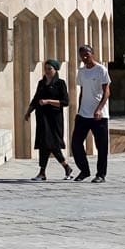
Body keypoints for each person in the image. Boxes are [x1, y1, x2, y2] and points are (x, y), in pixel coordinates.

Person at [25, 60, 74, 181]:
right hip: (42, 117)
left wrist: (48, 101)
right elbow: (36, 98)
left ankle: (66, 167)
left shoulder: (60, 83)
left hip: (54, 119)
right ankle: (43, 172)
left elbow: (65, 102)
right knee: (44, 144)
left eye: (50, 69)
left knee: (52, 144)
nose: (47, 71)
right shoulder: (41, 83)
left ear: (55, 70)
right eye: (46, 68)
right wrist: (28, 111)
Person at [71, 43, 111, 183]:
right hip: (83, 114)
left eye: (86, 54)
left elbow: (107, 92)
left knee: (101, 146)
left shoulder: (101, 70)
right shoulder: (81, 72)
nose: (84, 57)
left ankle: (101, 174)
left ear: (92, 54)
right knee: (76, 143)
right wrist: (79, 110)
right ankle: (84, 170)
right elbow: (82, 91)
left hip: (99, 115)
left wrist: (99, 109)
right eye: (82, 55)